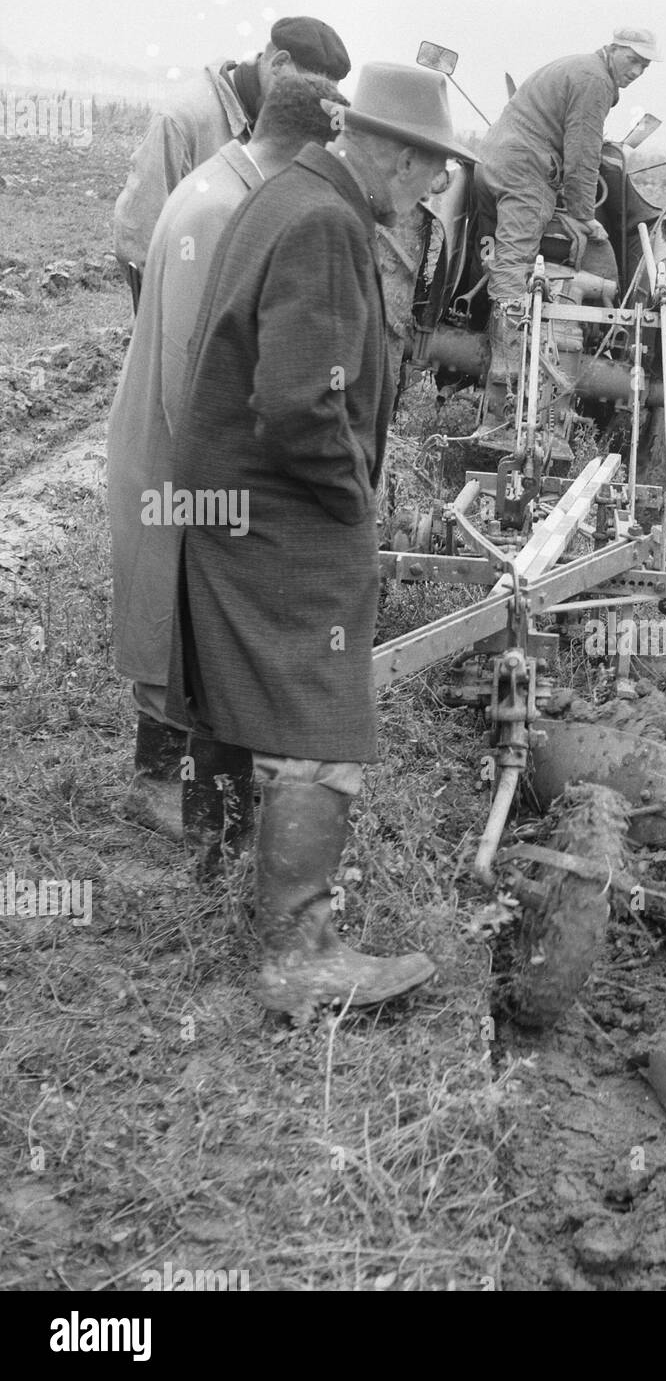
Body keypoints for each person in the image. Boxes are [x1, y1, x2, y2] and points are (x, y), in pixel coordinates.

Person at [166, 63, 477, 1018]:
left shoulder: (282, 194)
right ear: (392, 149)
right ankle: (299, 956)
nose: (428, 195)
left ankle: (224, 871)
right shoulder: (327, 224)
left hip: (229, 497)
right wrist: (355, 507)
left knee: (245, 687)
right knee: (319, 711)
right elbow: (302, 404)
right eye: (429, 175)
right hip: (282, 507)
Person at [109, 73, 344, 854]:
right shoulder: (219, 210)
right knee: (179, 619)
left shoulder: (224, 184)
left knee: (179, 619)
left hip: (178, 455)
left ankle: (181, 781)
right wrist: (226, 490)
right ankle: (160, 787)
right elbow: (189, 367)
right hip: (180, 458)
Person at [474, 27, 660, 376]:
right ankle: (508, 374)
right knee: (513, 267)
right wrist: (583, 214)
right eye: (632, 60)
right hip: (525, 166)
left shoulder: (581, 68)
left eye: (644, 66)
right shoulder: (596, 80)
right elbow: (583, 152)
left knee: (496, 257)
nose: (636, 72)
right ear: (613, 48)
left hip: (497, 158)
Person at [112, 15, 350, 285]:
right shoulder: (182, 118)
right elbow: (139, 236)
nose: (310, 104)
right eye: (307, 89)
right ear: (279, 63)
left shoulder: (286, 123)